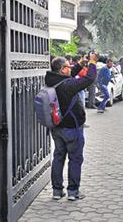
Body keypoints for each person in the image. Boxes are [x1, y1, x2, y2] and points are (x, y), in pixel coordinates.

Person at [45, 52, 98, 201]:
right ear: (62, 69)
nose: (71, 68)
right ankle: (73, 192)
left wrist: (81, 63)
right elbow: (89, 79)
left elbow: (69, 77)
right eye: (68, 66)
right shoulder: (68, 85)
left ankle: (57, 191)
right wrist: (92, 63)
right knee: (75, 158)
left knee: (58, 157)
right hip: (72, 128)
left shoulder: (51, 80)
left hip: (56, 127)